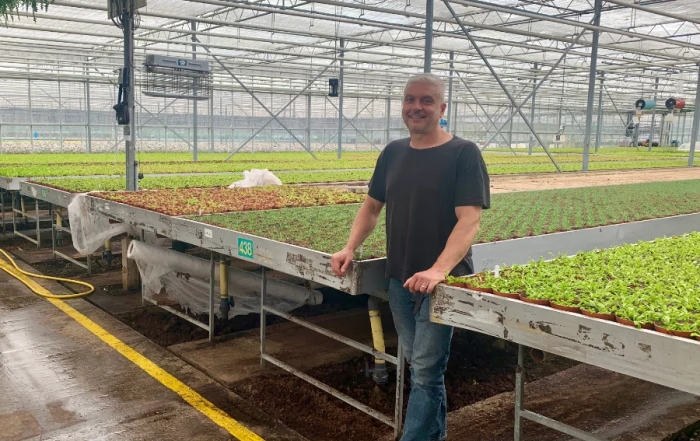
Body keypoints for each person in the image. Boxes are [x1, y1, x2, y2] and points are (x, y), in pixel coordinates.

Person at [331, 73, 490, 441]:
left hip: (441, 283)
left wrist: (438, 269)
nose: (416, 107)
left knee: (426, 369)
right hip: (400, 277)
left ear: (442, 108)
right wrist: (349, 247)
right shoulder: (393, 153)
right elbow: (371, 207)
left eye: (426, 100)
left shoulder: (463, 153)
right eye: (410, 100)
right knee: (420, 369)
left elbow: (470, 220)